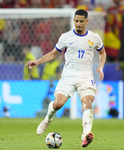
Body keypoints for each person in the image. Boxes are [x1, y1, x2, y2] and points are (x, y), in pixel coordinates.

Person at [25, 9, 106, 148]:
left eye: (81, 21)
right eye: (76, 21)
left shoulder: (94, 37)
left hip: (86, 77)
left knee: (87, 103)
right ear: (74, 20)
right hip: (68, 76)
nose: (78, 24)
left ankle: (86, 135)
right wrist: (37, 61)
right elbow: (53, 54)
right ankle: (47, 119)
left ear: (86, 21)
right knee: (58, 104)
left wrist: (100, 66)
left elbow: (103, 53)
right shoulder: (66, 37)